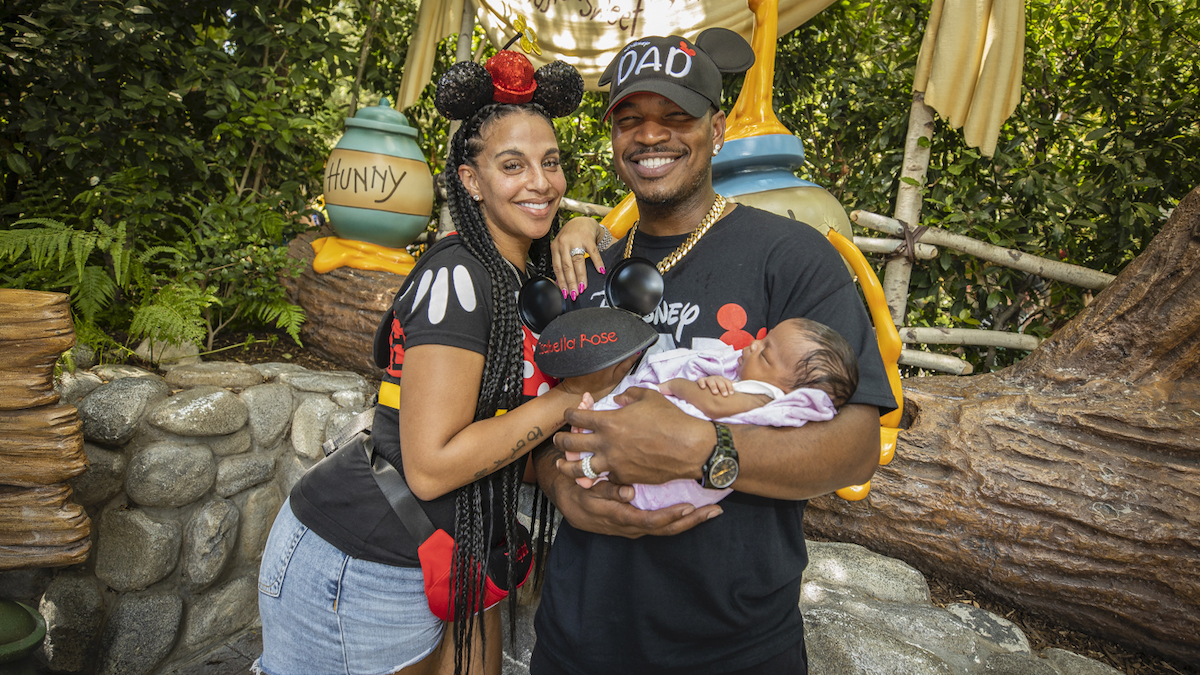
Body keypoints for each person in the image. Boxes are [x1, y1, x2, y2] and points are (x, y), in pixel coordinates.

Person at [528, 28, 899, 675]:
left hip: (734, 647)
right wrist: (558, 484)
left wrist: (705, 448)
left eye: (676, 116)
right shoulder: (586, 272)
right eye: (630, 119)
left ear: (717, 128)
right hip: (577, 636)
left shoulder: (793, 256)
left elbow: (856, 447)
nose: (650, 135)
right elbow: (532, 419)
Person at [253, 52, 634, 675]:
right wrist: (569, 399)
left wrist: (582, 228)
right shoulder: (458, 276)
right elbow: (430, 469)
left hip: (463, 548)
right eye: (512, 165)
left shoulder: (524, 273)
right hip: (364, 560)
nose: (541, 182)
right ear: (471, 180)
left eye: (551, 162)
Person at [568, 317, 860, 511]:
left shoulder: (767, 394)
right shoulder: (755, 388)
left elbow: (715, 406)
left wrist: (677, 385)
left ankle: (590, 458)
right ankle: (591, 470)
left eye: (765, 354)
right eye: (764, 339)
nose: (753, 344)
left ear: (791, 389)